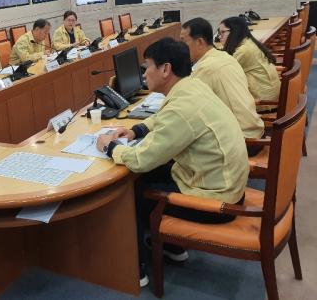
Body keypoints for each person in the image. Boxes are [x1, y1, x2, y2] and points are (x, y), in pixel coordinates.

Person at [96, 38, 248, 287]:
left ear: (165, 69)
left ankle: (134, 269)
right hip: (222, 184)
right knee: (155, 172)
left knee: (131, 190)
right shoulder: (192, 86)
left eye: (147, 66)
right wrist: (136, 130)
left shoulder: (182, 107)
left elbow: (141, 160)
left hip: (216, 202)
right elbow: (165, 117)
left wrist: (109, 146)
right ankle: (173, 247)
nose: (144, 74)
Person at [180, 18, 264, 139]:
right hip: (252, 128)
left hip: (242, 138)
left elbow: (185, 106)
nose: (181, 47)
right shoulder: (224, 56)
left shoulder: (207, 68)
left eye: (183, 42)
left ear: (199, 42)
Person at [218, 16, 281, 103]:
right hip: (269, 93)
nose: (219, 37)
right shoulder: (248, 42)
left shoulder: (244, 51)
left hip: (264, 101)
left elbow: (222, 72)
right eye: (219, 33)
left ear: (235, 31)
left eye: (223, 32)